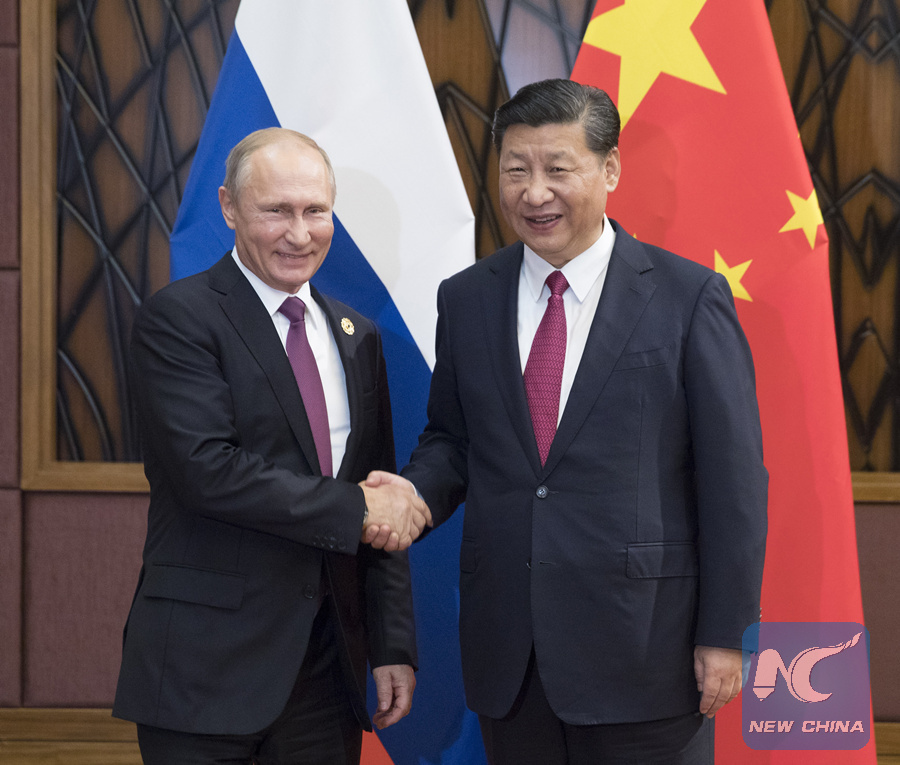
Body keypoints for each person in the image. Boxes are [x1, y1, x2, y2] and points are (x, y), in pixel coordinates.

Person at [366, 79, 768, 763]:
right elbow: (453, 440)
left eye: (558, 168)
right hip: (512, 657)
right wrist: (414, 494)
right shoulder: (467, 298)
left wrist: (726, 633)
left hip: (647, 652)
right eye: (515, 170)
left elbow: (733, 481)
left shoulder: (687, 297)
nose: (534, 193)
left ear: (609, 169)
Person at [113, 127, 431, 765]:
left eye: (315, 211)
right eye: (276, 211)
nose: (299, 233)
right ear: (229, 207)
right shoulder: (180, 319)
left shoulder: (357, 336)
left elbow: (379, 489)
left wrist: (391, 642)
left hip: (326, 675)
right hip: (206, 669)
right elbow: (208, 471)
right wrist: (359, 509)